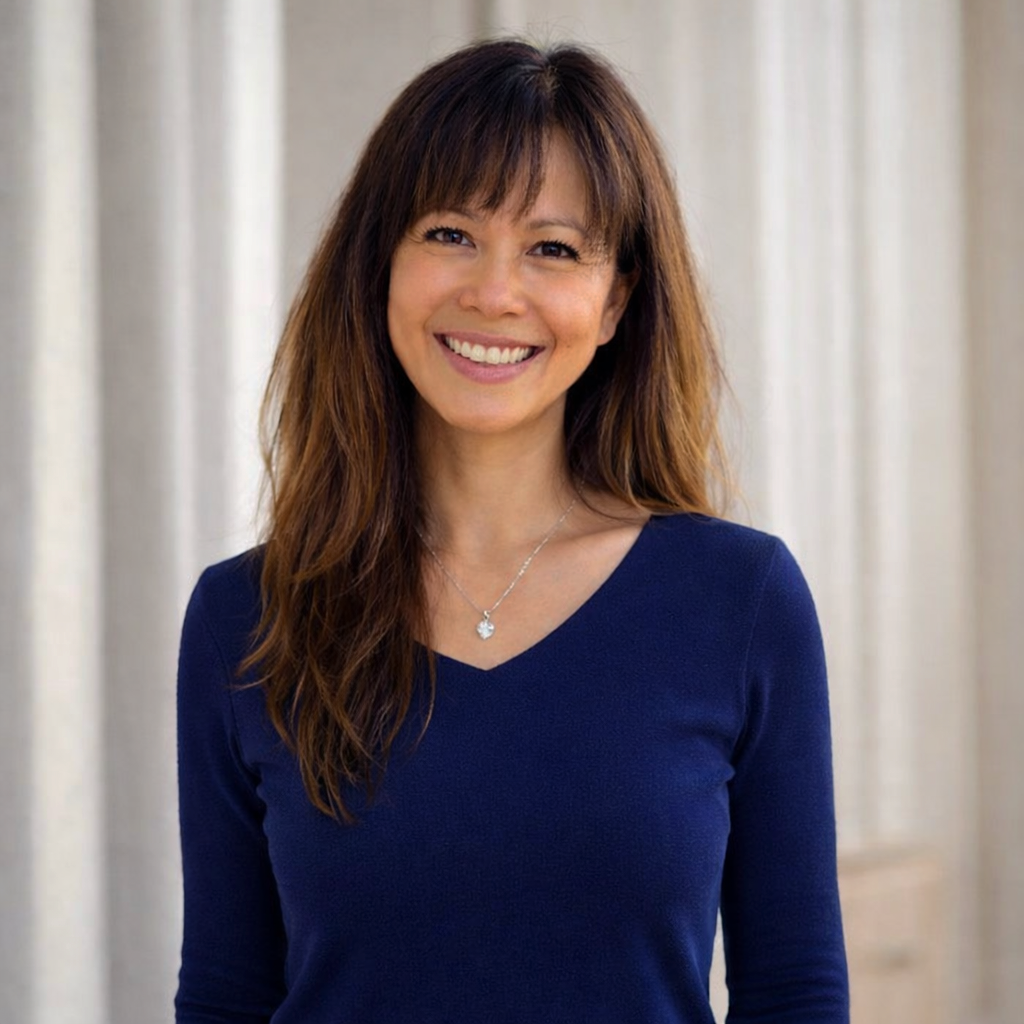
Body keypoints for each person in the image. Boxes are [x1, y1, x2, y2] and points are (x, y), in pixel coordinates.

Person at [174, 38, 849, 1024]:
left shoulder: (738, 601)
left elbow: (794, 994)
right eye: (450, 233)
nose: (494, 292)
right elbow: (226, 996)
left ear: (615, 301)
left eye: (553, 248)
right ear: (379, 265)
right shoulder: (245, 617)